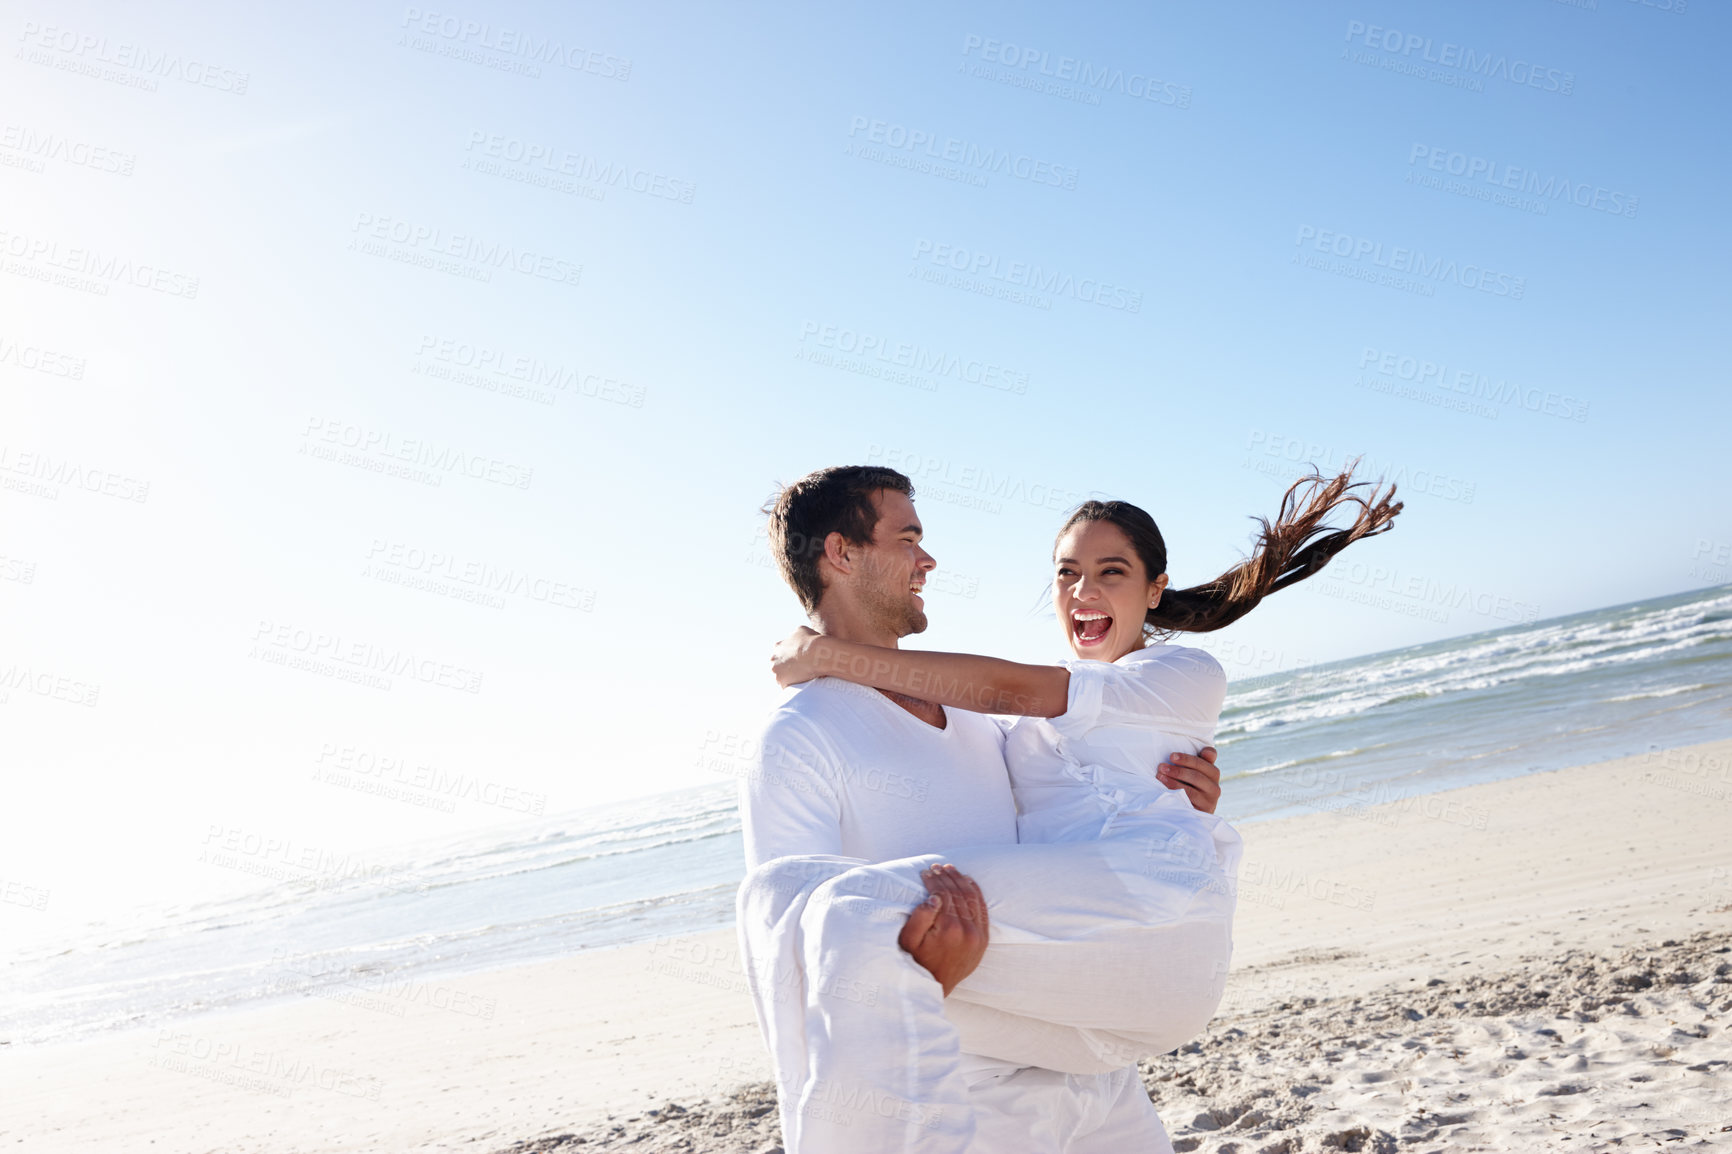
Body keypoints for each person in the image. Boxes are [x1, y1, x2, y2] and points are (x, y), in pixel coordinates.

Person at [736, 464, 1400, 1153]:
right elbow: (789, 953)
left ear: (1152, 587)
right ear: (842, 554)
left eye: (1111, 571)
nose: (929, 559)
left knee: (853, 910)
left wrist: (1175, 800)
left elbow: (1045, 730)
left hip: (1094, 1071)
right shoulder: (798, 737)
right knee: (822, 908)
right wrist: (921, 969)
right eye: (909, 538)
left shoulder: (981, 718)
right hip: (978, 1083)